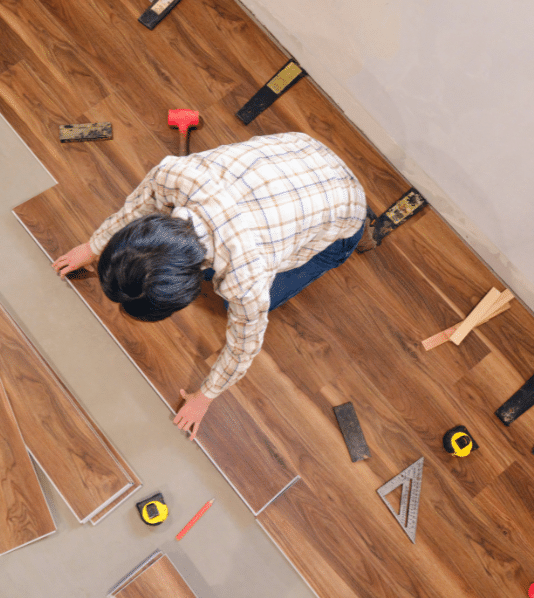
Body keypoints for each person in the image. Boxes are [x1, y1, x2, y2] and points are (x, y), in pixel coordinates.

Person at [52, 132, 376, 440]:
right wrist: (95, 247)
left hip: (346, 209)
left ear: (184, 295)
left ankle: (361, 231)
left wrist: (204, 397)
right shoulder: (174, 174)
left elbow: (244, 346)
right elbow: (137, 208)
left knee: (237, 305)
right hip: (301, 151)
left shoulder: (247, 279)